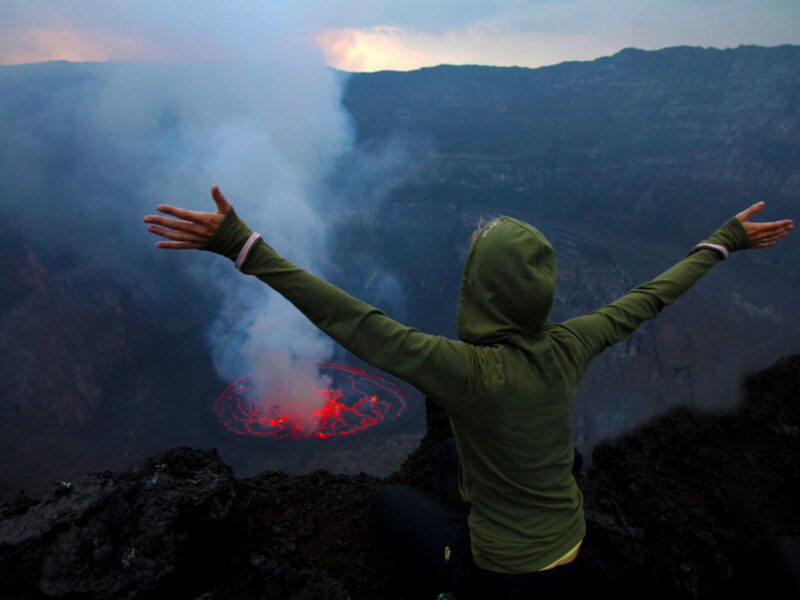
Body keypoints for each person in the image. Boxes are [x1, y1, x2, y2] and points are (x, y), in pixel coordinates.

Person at [144, 186, 793, 599]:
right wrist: (724, 241)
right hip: (573, 540)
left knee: (390, 506)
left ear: (479, 293)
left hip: (503, 577)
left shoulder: (466, 372)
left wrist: (243, 246)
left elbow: (356, 323)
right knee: (455, 457)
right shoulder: (574, 342)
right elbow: (650, 297)